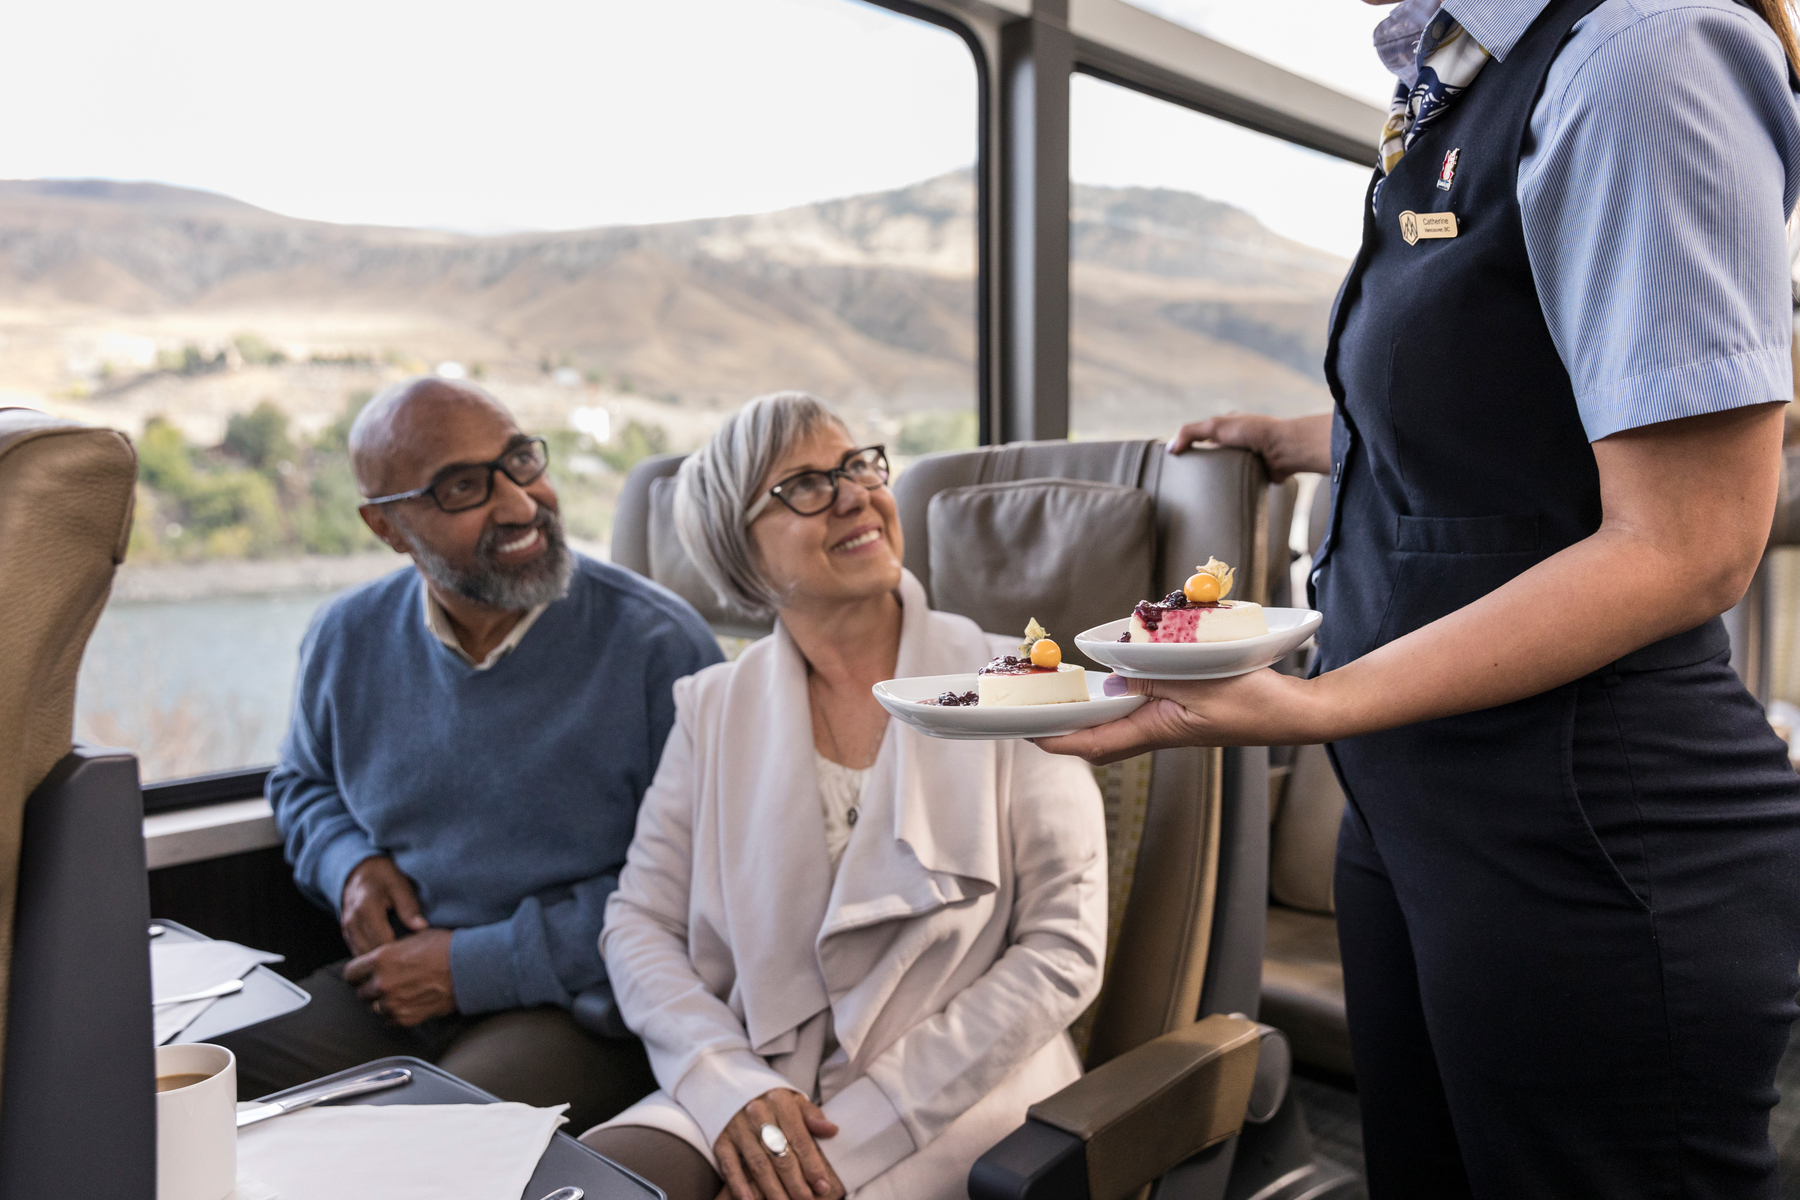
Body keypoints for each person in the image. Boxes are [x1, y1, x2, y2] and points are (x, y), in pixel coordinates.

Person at [1042, 1, 1800, 1196]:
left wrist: (1314, 705)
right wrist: (1314, 440)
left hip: (1586, 824)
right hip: (1415, 802)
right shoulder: (1460, 78)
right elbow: (1514, 400)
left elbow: (1692, 543)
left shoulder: (1643, 45)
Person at [577, 391, 1106, 1200]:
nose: (858, 494)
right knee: (587, 1184)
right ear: (741, 554)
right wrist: (725, 1081)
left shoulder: (1019, 681)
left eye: (859, 465)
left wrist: (869, 1118)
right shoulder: (711, 709)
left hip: (961, 1093)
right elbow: (637, 923)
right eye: (806, 485)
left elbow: (1064, 950)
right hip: (757, 1075)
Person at [217, 377, 723, 1130]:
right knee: (169, 1084)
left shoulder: (660, 647)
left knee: (425, 1147)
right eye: (463, 488)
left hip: (581, 1003)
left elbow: (701, 891)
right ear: (387, 528)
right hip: (393, 987)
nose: (520, 503)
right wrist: (348, 864)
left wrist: (472, 968)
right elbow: (302, 783)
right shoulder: (345, 635)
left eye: (521, 462)